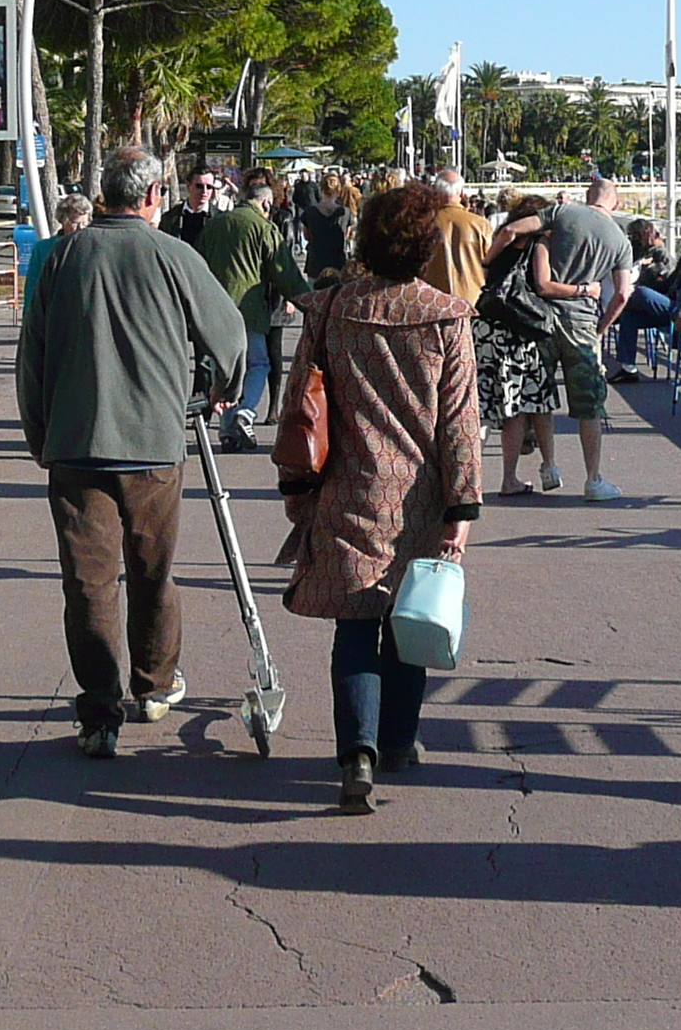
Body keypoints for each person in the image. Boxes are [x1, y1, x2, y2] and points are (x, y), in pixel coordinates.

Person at [16, 145, 244, 757]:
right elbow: (230, 335)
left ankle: (98, 715)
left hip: (76, 446)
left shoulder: (63, 256)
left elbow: (31, 355)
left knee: (89, 585)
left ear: (102, 197)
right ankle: (154, 685)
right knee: (153, 573)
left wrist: (40, 434)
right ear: (151, 197)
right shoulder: (174, 255)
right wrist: (221, 393)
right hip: (153, 445)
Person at [278, 183, 481, 812]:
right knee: (410, 619)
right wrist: (462, 506)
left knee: (355, 627)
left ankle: (356, 752)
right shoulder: (446, 316)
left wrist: (295, 485)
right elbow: (459, 423)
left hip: (346, 486)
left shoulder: (332, 307)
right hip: (419, 493)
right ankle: (398, 740)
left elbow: (300, 405)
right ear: (427, 247)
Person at [519, 176, 633, 501]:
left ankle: (549, 465)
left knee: (540, 395)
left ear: (588, 195)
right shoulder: (619, 240)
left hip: (543, 316)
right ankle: (593, 478)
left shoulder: (563, 214)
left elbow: (523, 234)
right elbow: (623, 294)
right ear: (617, 202)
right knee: (589, 404)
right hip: (582, 322)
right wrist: (601, 328)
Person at [197, 167, 309, 439]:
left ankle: (226, 431)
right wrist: (311, 303)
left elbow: (196, 264)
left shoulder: (215, 224)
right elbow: (285, 274)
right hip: (249, 312)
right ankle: (247, 411)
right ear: (266, 203)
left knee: (222, 371)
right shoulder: (264, 228)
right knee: (258, 364)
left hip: (215, 313)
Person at [478, 196, 566, 496]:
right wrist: (584, 289)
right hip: (521, 334)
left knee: (489, 406)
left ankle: (471, 478)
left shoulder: (500, 244)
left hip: (489, 330)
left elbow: (487, 277)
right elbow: (543, 285)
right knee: (528, 406)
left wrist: (489, 258)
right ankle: (532, 471)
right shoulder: (538, 244)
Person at [608, 217, 673, 382]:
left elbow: (661, 279)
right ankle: (627, 367)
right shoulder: (642, 253)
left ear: (654, 235)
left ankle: (611, 312)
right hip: (649, 306)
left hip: (666, 302)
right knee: (628, 317)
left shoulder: (661, 254)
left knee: (639, 293)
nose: (638, 239)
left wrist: (643, 269)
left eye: (642, 235)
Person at [421, 168, 491, 305]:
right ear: (461, 193)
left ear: (436, 192)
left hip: (433, 299)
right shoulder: (481, 224)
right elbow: (490, 263)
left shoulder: (425, 223)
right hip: (472, 300)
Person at [162, 166, 225, 253]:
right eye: (199, 186)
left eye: (209, 187)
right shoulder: (169, 218)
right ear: (188, 186)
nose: (204, 191)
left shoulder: (220, 218)